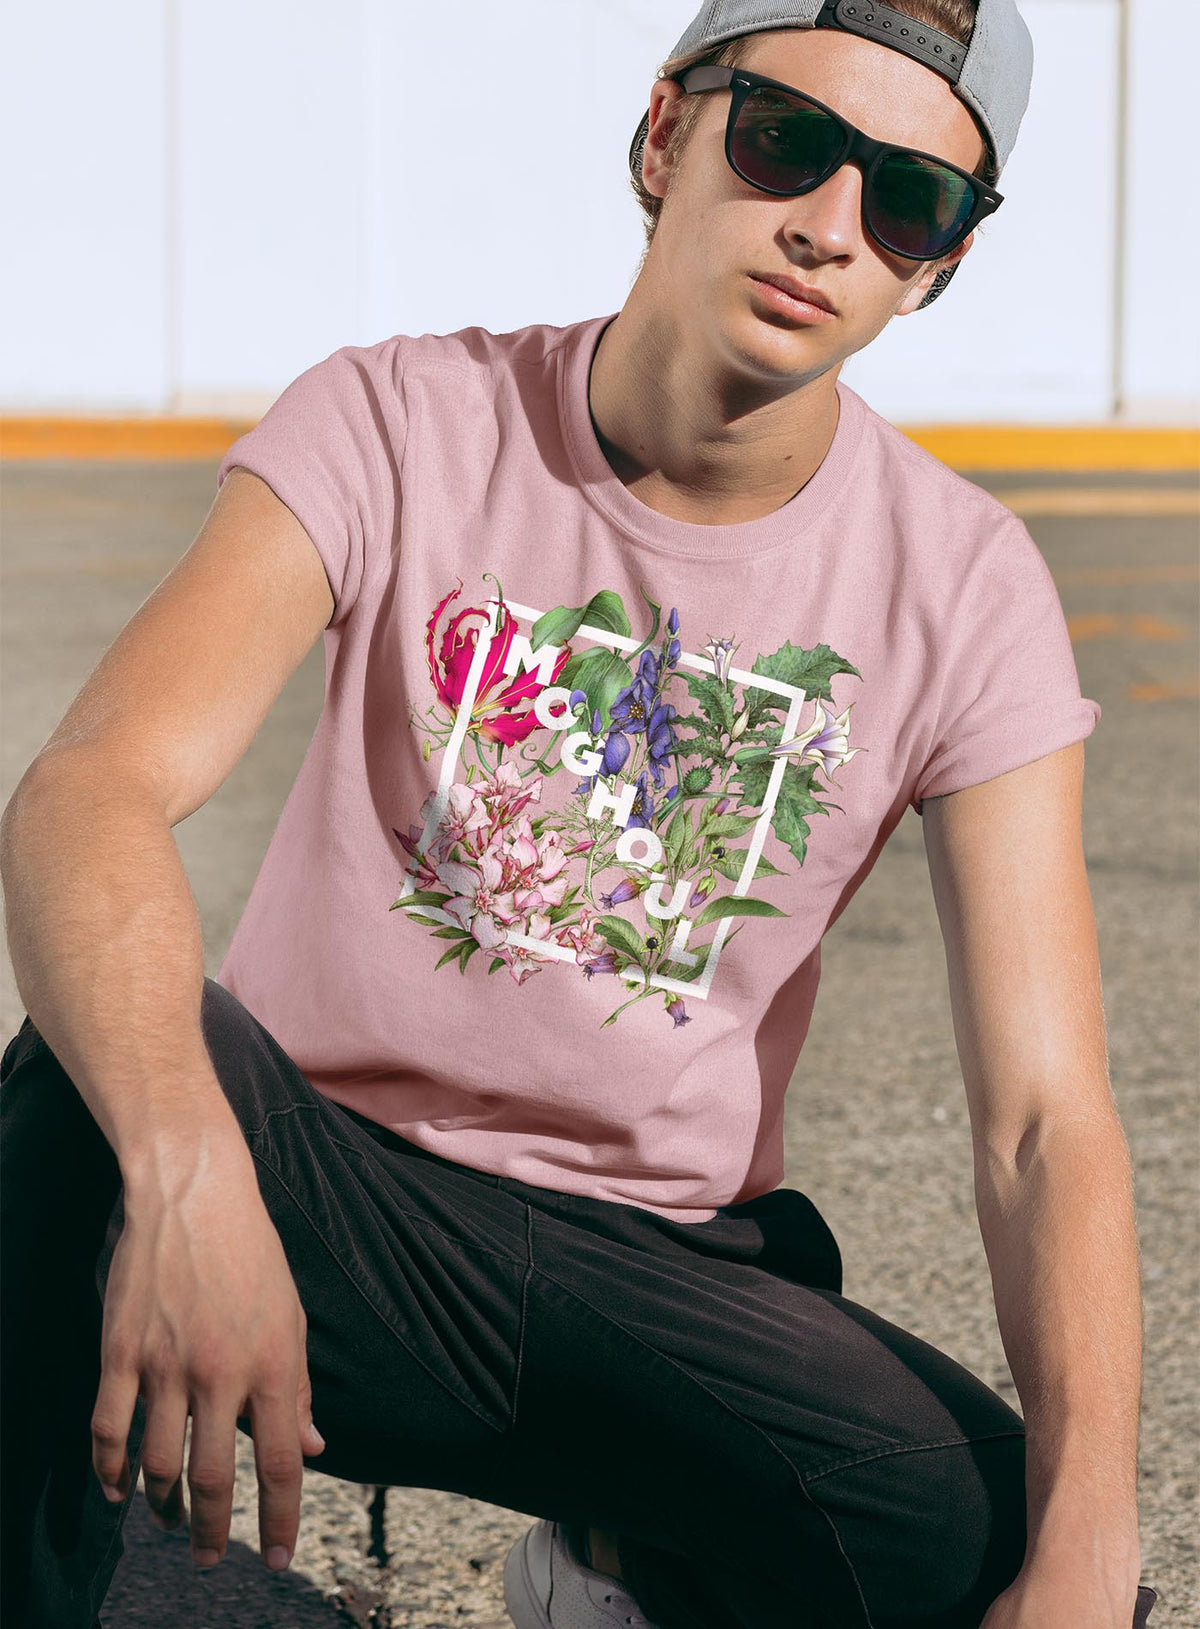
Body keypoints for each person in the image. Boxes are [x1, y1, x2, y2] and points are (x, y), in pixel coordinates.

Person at [0, 0, 1160, 1625]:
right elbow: (90, 791)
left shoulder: (964, 585)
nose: (830, 225)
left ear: (940, 265)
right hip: (328, 1198)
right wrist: (194, 1165)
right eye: (785, 141)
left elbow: (1045, 1121)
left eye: (908, 200)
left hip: (660, 1271)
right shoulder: (400, 419)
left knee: (982, 1536)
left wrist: (1092, 1542)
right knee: (84, 1097)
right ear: (666, 135)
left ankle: (614, 1567)